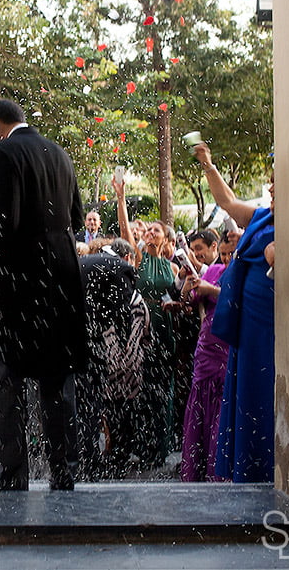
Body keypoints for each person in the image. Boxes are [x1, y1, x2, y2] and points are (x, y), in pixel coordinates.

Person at [0, 99, 87, 491]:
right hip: (62, 279)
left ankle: (12, 475)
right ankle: (64, 471)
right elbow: (75, 219)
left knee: (3, 376)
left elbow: (6, 221)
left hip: (21, 281)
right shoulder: (58, 152)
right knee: (57, 382)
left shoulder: (3, 154)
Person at [193, 141, 275, 483]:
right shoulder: (262, 216)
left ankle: (262, 469)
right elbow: (226, 201)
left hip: (266, 327)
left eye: (276, 180)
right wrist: (209, 166)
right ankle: (244, 468)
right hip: (245, 326)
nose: (270, 186)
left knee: (260, 392)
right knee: (242, 396)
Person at [112, 177, 181, 469]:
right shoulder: (138, 258)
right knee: (142, 389)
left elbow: (182, 298)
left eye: (156, 230)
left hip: (165, 330)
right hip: (141, 332)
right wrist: (121, 197)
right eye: (149, 229)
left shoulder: (173, 266)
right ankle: (141, 446)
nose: (150, 232)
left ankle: (160, 447)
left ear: (165, 239)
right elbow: (127, 230)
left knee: (162, 390)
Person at [77, 237, 150, 479]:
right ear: (127, 259)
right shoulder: (127, 284)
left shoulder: (87, 269)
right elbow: (141, 330)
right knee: (118, 418)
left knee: (93, 414)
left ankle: (92, 464)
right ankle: (114, 464)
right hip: (120, 366)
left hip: (101, 362)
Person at [179, 232, 236, 482]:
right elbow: (189, 300)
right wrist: (187, 285)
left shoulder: (239, 271)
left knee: (221, 406)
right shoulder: (212, 271)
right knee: (200, 405)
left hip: (227, 343)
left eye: (229, 253)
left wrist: (210, 289)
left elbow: (236, 301)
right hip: (206, 346)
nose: (226, 258)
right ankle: (195, 468)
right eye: (223, 254)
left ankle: (218, 468)